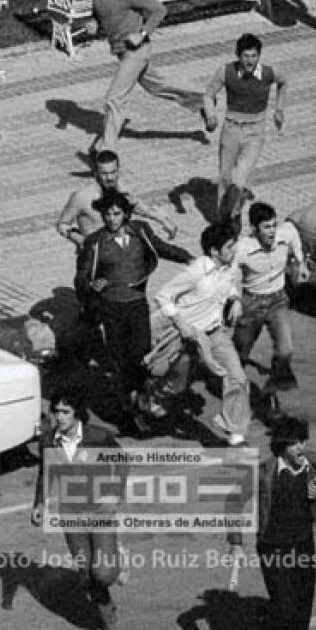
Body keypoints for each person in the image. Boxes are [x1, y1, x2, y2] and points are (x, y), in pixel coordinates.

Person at [75, 189, 192, 430]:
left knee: (141, 356)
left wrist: (189, 258)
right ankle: (130, 411)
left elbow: (162, 248)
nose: (112, 219)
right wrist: (91, 286)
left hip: (137, 305)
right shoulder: (95, 242)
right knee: (120, 360)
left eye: (117, 213)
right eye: (107, 214)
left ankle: (140, 400)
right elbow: (81, 277)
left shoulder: (141, 232)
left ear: (126, 214)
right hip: (111, 308)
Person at [83, 0, 210, 155]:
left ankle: (107, 151)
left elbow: (159, 10)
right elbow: (100, 12)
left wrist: (141, 34)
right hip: (122, 52)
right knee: (157, 86)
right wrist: (94, 23)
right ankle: (202, 100)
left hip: (137, 50)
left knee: (114, 99)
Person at [228, 415, 316, 630]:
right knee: (285, 608)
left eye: (303, 440)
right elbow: (234, 500)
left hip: (303, 545)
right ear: (281, 446)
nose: (301, 447)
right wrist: (236, 543)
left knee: (303, 608)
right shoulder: (263, 473)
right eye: (294, 442)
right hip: (273, 548)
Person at [31, 387, 124, 630]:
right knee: (86, 572)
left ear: (78, 414)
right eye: (56, 411)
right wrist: (39, 503)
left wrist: (115, 494)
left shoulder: (99, 437)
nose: (59, 416)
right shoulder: (48, 441)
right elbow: (44, 472)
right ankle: (108, 622)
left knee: (103, 574)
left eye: (66, 411)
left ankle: (115, 557)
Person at [154, 223, 250, 446]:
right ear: (214, 251)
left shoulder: (230, 266)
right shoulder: (197, 271)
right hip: (186, 337)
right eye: (228, 247)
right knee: (175, 384)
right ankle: (149, 401)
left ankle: (234, 430)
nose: (233, 250)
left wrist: (235, 300)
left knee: (237, 376)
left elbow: (231, 285)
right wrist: (180, 323)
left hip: (215, 335)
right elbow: (163, 296)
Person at [202, 33, 288, 228]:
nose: (250, 61)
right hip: (231, 129)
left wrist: (279, 109)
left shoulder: (268, 73)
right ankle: (223, 222)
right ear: (238, 56)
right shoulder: (226, 72)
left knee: (239, 180)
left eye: (254, 56)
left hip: (255, 132)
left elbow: (284, 81)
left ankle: (235, 217)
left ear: (259, 56)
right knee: (224, 178)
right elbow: (208, 95)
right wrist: (211, 116)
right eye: (246, 56)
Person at [233, 202, 308, 420]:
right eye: (266, 227)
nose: (272, 232)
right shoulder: (243, 249)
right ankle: (234, 392)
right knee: (240, 354)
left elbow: (294, 235)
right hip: (251, 304)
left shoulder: (285, 234)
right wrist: (234, 300)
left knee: (285, 351)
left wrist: (301, 262)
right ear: (255, 229)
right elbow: (229, 275)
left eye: (274, 225)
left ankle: (271, 394)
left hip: (277, 300)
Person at [56, 149, 178, 248]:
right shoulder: (82, 197)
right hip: (96, 258)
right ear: (96, 173)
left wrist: (163, 220)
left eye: (113, 172)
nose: (109, 178)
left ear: (118, 170)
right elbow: (62, 224)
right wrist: (81, 240)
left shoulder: (123, 190)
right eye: (104, 173)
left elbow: (140, 207)